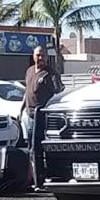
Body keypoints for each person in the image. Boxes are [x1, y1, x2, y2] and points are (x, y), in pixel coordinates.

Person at [20, 46, 63, 188]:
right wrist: (20, 110)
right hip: (28, 115)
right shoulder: (29, 71)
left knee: (39, 148)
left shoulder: (51, 74)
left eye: (43, 55)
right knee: (30, 147)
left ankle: (41, 179)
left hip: (43, 117)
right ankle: (31, 179)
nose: (41, 58)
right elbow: (27, 93)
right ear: (33, 56)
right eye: (38, 55)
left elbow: (59, 94)